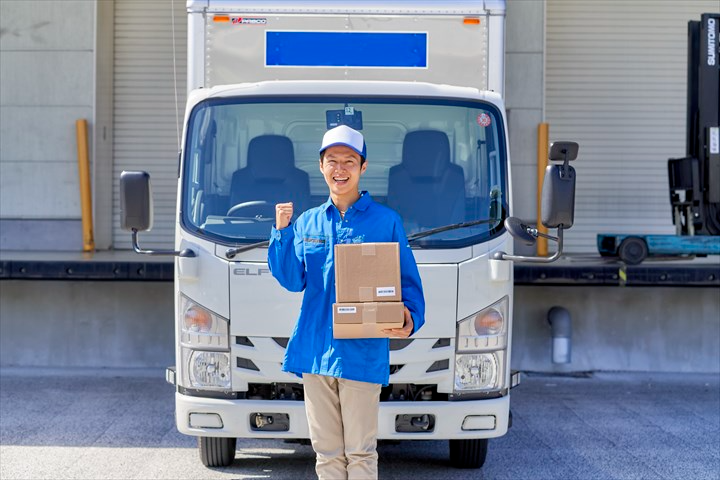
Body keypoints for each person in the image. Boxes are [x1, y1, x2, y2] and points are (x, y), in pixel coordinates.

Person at [267, 124, 425, 480]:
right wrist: (281, 232)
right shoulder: (308, 222)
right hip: (315, 350)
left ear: (363, 167)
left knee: (361, 452)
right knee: (326, 454)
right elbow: (293, 280)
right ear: (321, 166)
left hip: (362, 352)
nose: (341, 169)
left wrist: (409, 317)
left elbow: (409, 284)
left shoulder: (386, 222)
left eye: (349, 161)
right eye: (333, 161)